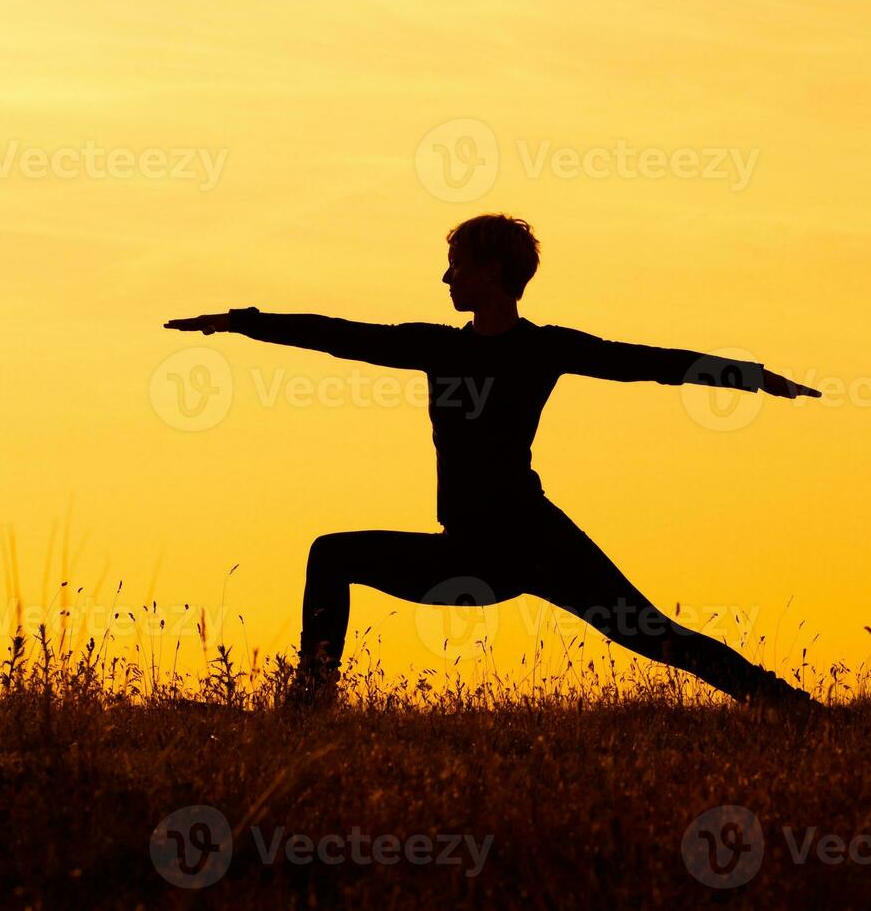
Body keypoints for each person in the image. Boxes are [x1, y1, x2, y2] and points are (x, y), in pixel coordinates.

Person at [165, 214, 822, 708]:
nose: (446, 277)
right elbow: (338, 336)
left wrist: (751, 375)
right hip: (469, 551)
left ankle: (799, 713)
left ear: (491, 272)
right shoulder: (436, 347)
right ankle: (311, 704)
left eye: (455, 264)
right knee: (332, 554)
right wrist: (240, 321)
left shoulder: (544, 348)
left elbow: (644, 362)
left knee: (655, 637)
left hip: (534, 541)